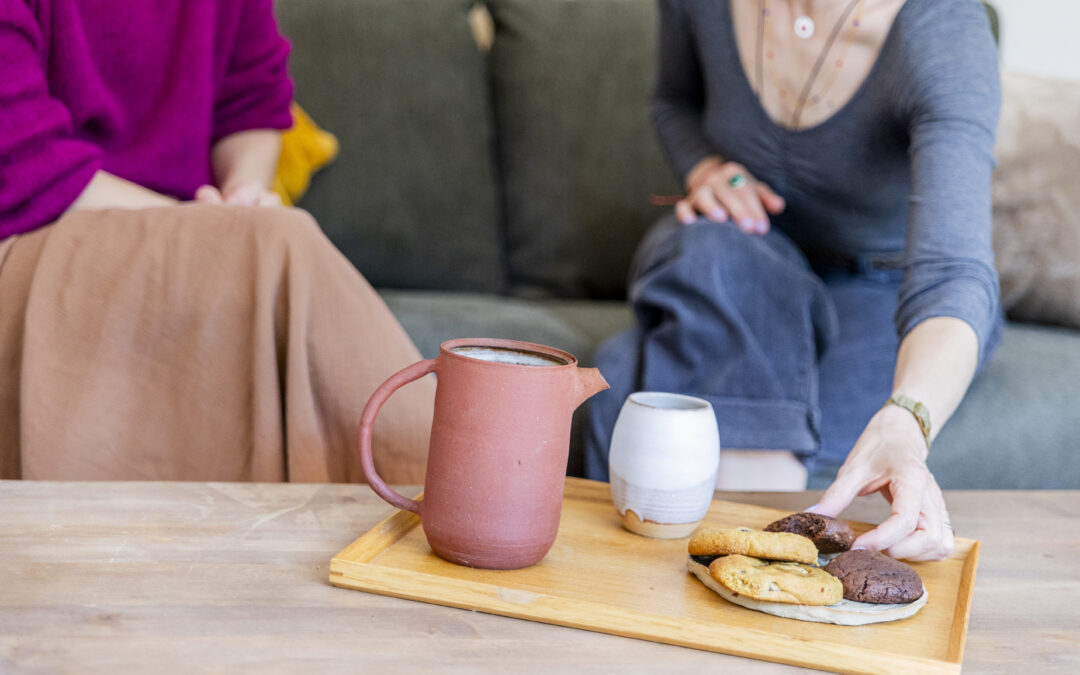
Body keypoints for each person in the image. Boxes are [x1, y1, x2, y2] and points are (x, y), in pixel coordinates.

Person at [585, 0, 1001, 561]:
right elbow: (673, 102)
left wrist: (908, 421)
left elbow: (952, 270)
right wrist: (708, 169)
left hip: (881, 292)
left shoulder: (940, 27)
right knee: (703, 245)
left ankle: (734, 528)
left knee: (612, 392)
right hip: (746, 259)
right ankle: (743, 517)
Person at [0, 0, 434, 482]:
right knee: (278, 245)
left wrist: (242, 195)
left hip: (196, 247)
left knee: (269, 247)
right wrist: (216, 231)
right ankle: (444, 484)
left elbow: (253, 104)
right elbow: (24, 162)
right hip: (35, 238)